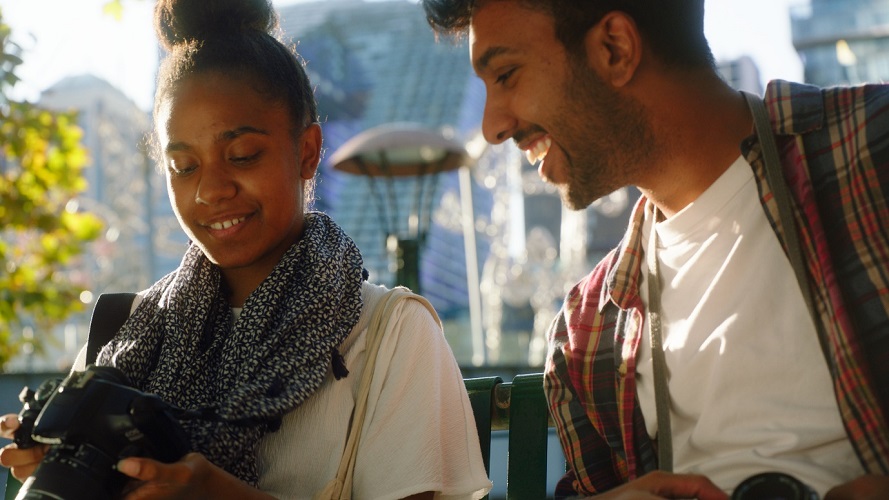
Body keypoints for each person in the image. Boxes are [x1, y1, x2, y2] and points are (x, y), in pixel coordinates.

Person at [0, 0, 492, 498]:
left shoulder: (391, 334)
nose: (210, 190)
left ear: (307, 151)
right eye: (184, 167)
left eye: (242, 155)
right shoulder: (125, 333)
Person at [420, 0, 889, 499]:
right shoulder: (583, 338)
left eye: (507, 74)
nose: (493, 127)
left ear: (615, 49)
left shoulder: (872, 151)